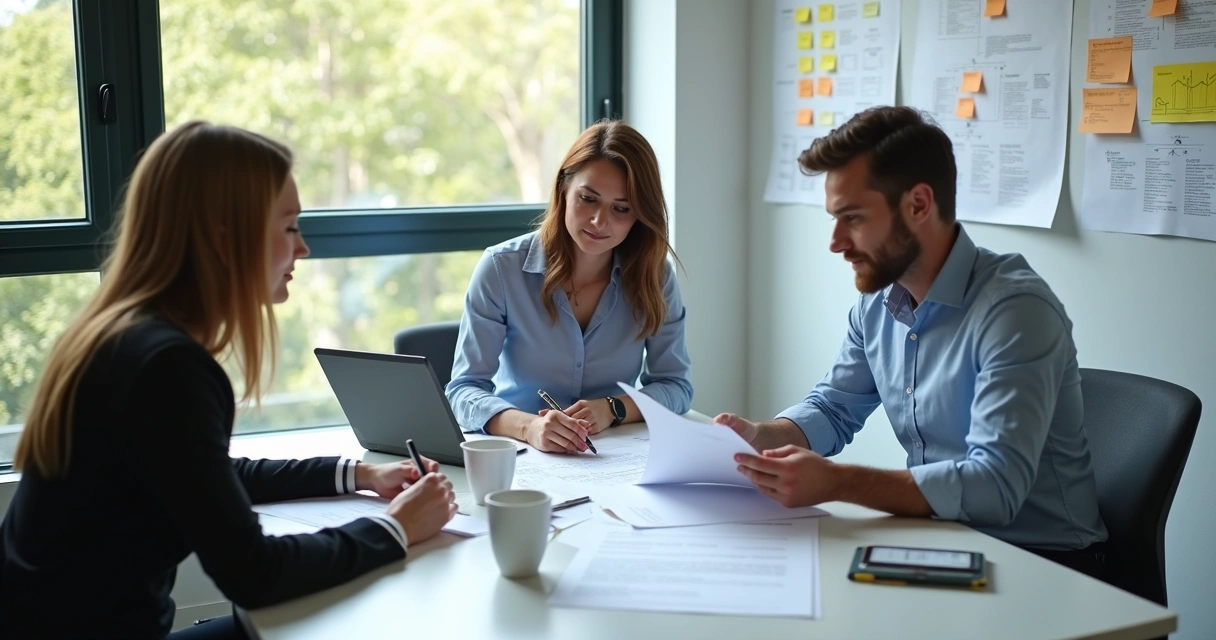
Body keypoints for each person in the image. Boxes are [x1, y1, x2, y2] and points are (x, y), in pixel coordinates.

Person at [0, 122, 458, 639]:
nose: (303, 249)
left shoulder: (120, 334)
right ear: (226, 239)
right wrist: (397, 528)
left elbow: (203, 476)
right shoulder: (168, 369)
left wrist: (355, 474)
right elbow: (256, 573)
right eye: (288, 227)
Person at [716, 106, 1108, 578]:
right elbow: (833, 409)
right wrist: (760, 436)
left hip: (1049, 566)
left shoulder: (1016, 310)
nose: (835, 242)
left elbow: (995, 487)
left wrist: (839, 482)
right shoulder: (878, 302)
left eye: (853, 218)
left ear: (919, 205)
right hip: (941, 540)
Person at [447, 120, 692, 453]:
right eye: (588, 199)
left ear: (640, 215)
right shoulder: (501, 269)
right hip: (520, 452)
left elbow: (675, 386)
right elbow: (463, 390)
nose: (599, 221)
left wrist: (613, 408)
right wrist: (530, 427)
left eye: (621, 209)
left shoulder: (655, 277)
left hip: (614, 455)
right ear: (563, 187)